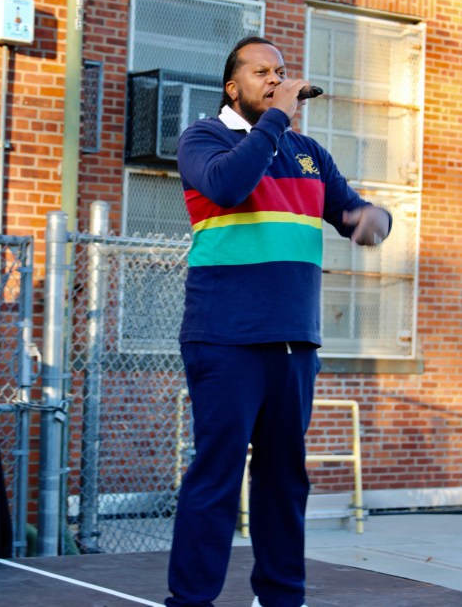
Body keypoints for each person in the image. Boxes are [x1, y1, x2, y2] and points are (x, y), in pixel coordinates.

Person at [165, 36, 392, 607]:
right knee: (217, 477)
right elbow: (227, 185)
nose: (275, 80)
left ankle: (282, 597)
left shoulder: (308, 150)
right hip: (225, 339)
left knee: (285, 480)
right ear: (231, 85)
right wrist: (276, 121)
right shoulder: (203, 138)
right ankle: (190, 601)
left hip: (294, 341)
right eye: (262, 72)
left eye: (282, 72)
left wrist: (373, 219)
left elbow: (350, 210)